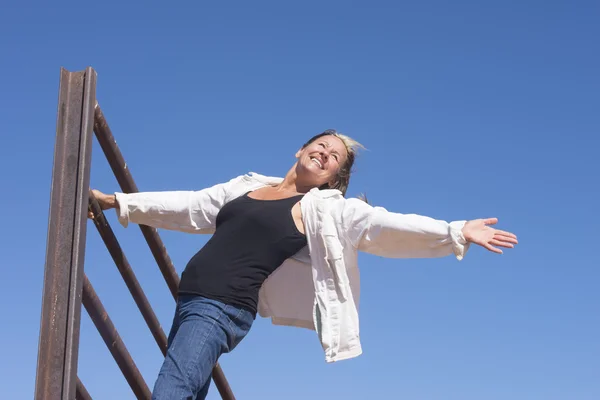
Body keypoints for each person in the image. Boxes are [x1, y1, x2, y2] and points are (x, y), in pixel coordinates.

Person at [89, 129, 518, 400]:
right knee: (187, 390)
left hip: (222, 307)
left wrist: (456, 231)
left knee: (173, 389)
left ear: (334, 178)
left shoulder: (324, 209)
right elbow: (191, 206)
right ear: (302, 148)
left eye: (335, 158)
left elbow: (384, 226)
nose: (326, 154)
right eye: (323, 145)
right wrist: (117, 202)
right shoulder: (248, 188)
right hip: (191, 299)